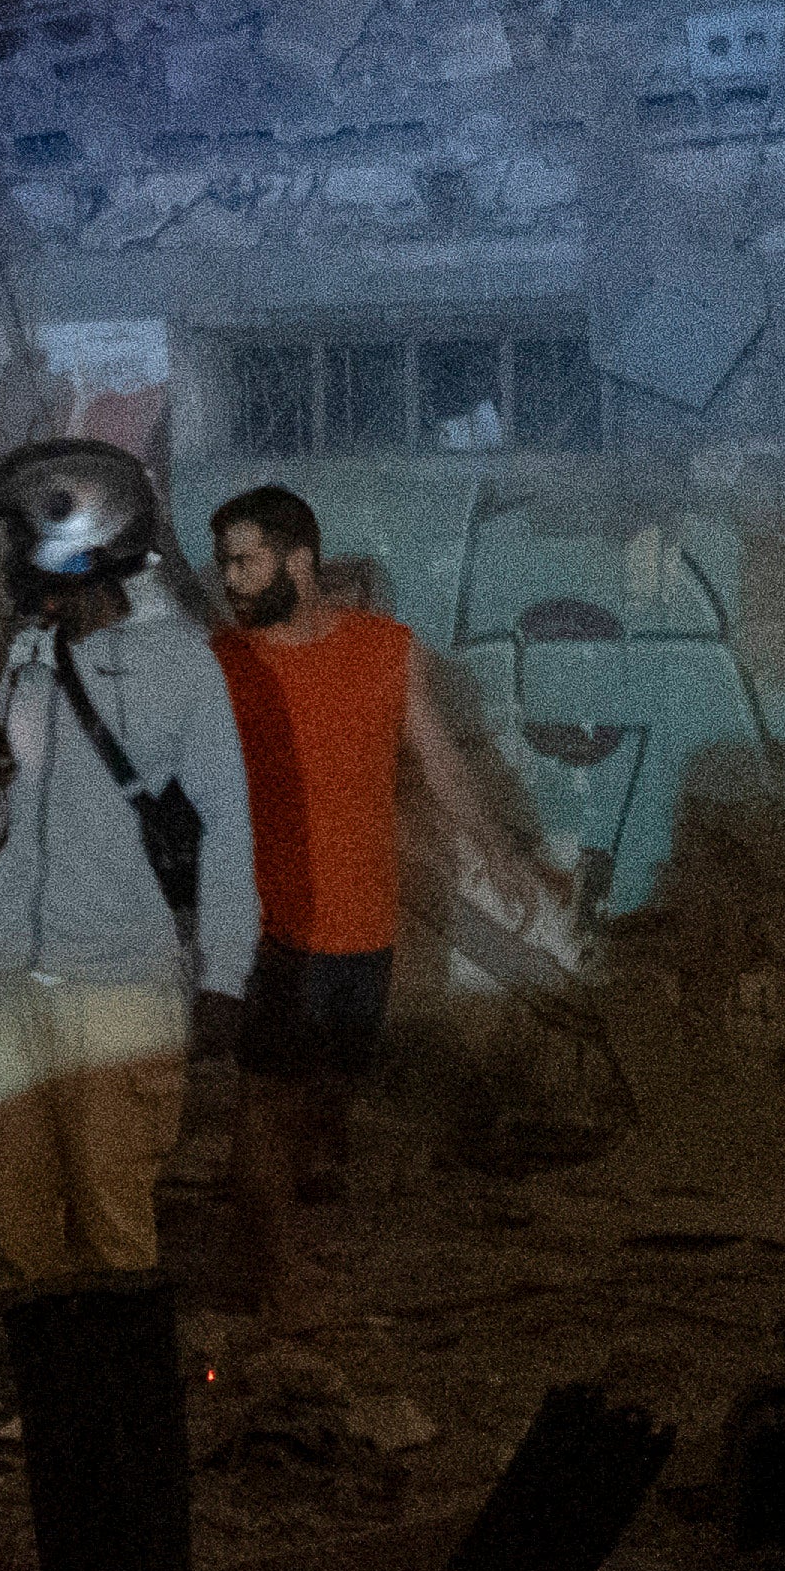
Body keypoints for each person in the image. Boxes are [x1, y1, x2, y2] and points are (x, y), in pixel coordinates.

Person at [207, 483, 560, 1325]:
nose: (230, 579)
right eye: (225, 563)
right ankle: (280, 1284)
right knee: (268, 1102)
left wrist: (499, 852)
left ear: (299, 560)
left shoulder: (383, 649)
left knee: (322, 1099)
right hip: (270, 927)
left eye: (244, 561)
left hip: (364, 926)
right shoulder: (224, 665)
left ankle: (273, 1245)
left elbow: (439, 763)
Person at [0, 440, 259, 1287]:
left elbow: (231, 828)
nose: (11, 559)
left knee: (114, 1216)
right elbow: (10, 822)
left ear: (83, 535)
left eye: (22, 538)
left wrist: (226, 979)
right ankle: (57, 1410)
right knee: (20, 1215)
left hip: (123, 981)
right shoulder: (27, 657)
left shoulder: (181, 663)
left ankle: (121, 1411)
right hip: (14, 974)